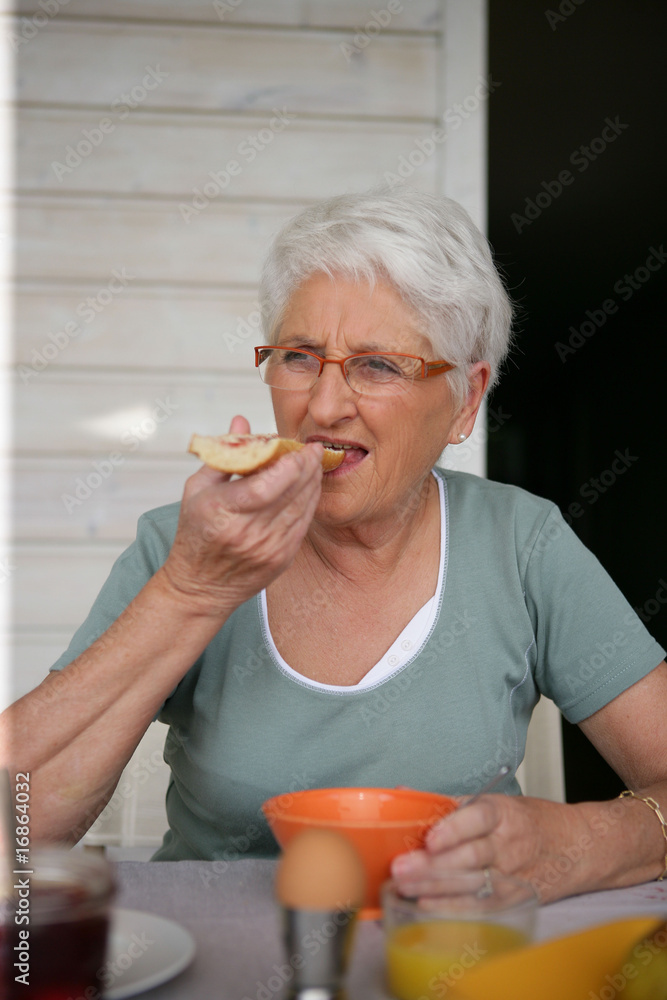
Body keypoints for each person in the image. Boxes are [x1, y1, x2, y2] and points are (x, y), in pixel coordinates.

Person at [2, 188, 666, 902]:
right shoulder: (185, 544)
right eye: (297, 357)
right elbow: (22, 835)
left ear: (466, 401)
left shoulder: (522, 545)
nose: (320, 408)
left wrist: (576, 843)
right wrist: (190, 592)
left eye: (377, 365)